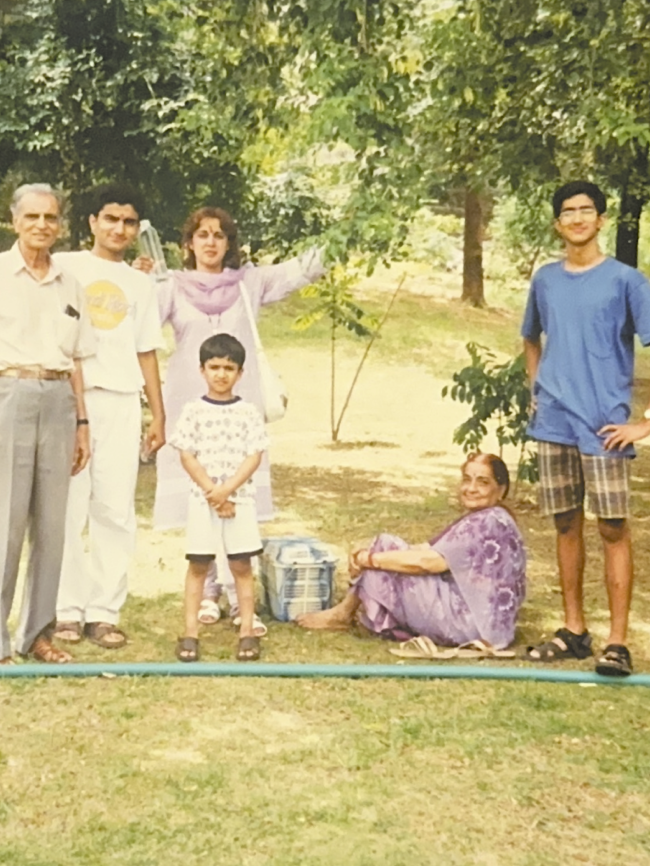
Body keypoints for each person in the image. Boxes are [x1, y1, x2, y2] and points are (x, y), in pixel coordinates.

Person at [137, 206, 325, 627]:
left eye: (219, 235)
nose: (210, 242)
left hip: (240, 413)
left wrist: (350, 231)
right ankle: (206, 593)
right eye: (201, 234)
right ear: (188, 243)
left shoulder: (250, 283)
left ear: (229, 243)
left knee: (237, 499)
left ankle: (240, 593)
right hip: (191, 408)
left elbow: (302, 269)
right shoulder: (171, 286)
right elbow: (138, 323)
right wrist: (137, 276)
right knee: (200, 499)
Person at [522, 180, 650, 677]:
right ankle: (574, 630)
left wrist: (643, 425)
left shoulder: (627, 281)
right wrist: (537, 391)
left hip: (605, 426)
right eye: (568, 212)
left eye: (586, 210)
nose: (577, 218)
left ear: (601, 219)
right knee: (564, 524)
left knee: (612, 528)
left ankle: (617, 643)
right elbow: (530, 338)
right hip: (553, 421)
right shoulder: (546, 280)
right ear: (558, 224)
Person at [53, 183, 166, 649]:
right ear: (92, 222)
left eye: (129, 222)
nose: (119, 229)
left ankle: (103, 612)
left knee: (115, 509)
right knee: (66, 507)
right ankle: (64, 611)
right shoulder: (65, 267)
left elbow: (146, 351)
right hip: (67, 399)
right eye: (111, 219)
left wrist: (157, 414)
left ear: (137, 230)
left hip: (120, 400)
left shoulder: (142, 282)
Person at [0, 183, 94, 664]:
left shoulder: (69, 283)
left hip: (59, 398)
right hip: (10, 395)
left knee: (53, 526)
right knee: (6, 521)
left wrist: (81, 422)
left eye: (51, 218)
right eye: (32, 217)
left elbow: (77, 359)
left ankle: (38, 634)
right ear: (15, 221)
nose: (42, 225)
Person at [296, 454, 526, 650]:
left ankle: (343, 614)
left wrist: (371, 559)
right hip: (490, 628)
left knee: (385, 550)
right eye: (467, 480)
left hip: (470, 627)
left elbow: (429, 562)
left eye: (482, 482)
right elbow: (425, 549)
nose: (471, 488)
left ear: (501, 489)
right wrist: (368, 551)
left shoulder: (487, 522)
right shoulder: (494, 518)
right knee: (386, 547)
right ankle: (345, 612)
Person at [170, 333, 269, 662]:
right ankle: (189, 634)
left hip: (239, 501)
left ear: (240, 373)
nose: (221, 374)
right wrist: (213, 492)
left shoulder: (248, 413)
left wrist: (228, 491)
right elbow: (187, 454)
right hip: (203, 501)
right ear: (202, 370)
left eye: (229, 368)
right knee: (199, 564)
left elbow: (253, 456)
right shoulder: (193, 411)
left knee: (241, 564)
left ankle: (247, 633)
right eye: (214, 367)